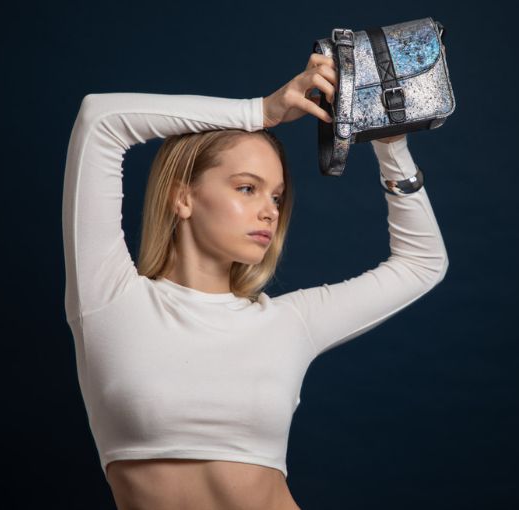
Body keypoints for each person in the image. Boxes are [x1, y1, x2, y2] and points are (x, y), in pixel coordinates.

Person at [62, 52, 449, 510]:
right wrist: (260, 112)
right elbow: (101, 119)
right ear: (182, 197)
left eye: (277, 197)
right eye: (247, 188)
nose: (270, 211)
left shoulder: (287, 323)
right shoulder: (109, 300)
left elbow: (422, 263)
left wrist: (391, 147)